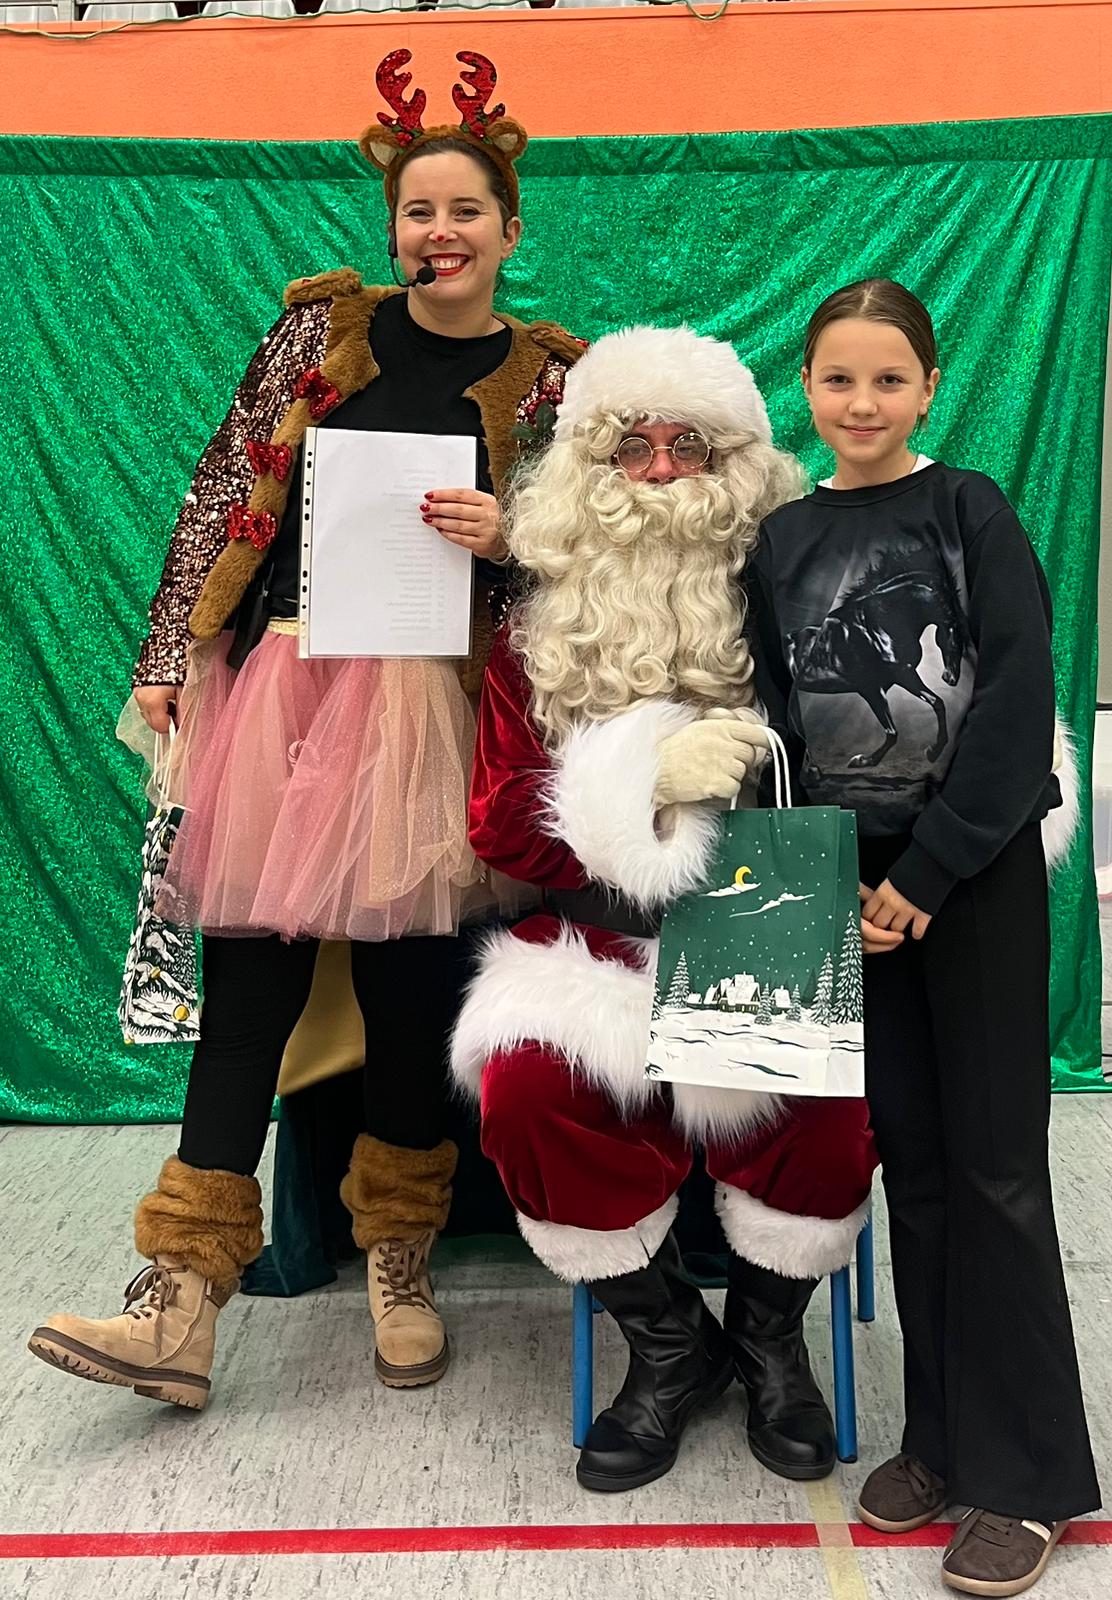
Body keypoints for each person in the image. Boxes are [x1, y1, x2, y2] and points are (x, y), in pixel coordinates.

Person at [28, 48, 583, 1409]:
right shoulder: (320, 332)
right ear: (393, 229)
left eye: (464, 211)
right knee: (248, 995)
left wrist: (512, 539)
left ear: (511, 231)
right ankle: (181, 1295)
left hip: (431, 708)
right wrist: (171, 652)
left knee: (405, 999)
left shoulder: (551, 381)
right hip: (285, 681)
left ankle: (399, 1254)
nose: (439, 232)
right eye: (417, 211)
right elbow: (227, 480)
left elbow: (590, 565)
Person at [451, 325, 878, 1492]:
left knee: (826, 1110)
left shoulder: (800, 600)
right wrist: (638, 783)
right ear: (585, 470)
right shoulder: (533, 631)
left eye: (686, 446)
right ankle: (667, 1341)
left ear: (734, 465)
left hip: (766, 917)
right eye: (628, 447)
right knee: (530, 1092)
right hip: (593, 935)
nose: (656, 472)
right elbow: (498, 825)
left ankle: (768, 1335)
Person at [746, 277, 1099, 1595]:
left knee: (997, 1171)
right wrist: (819, 877)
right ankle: (943, 1441)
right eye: (839, 378)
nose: (862, 402)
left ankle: (1030, 1481)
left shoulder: (969, 511)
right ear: (807, 385)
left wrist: (933, 871)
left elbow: (1014, 704)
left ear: (928, 389)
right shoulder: (782, 538)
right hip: (857, 898)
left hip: (972, 885)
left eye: (888, 379)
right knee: (922, 1171)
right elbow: (779, 720)